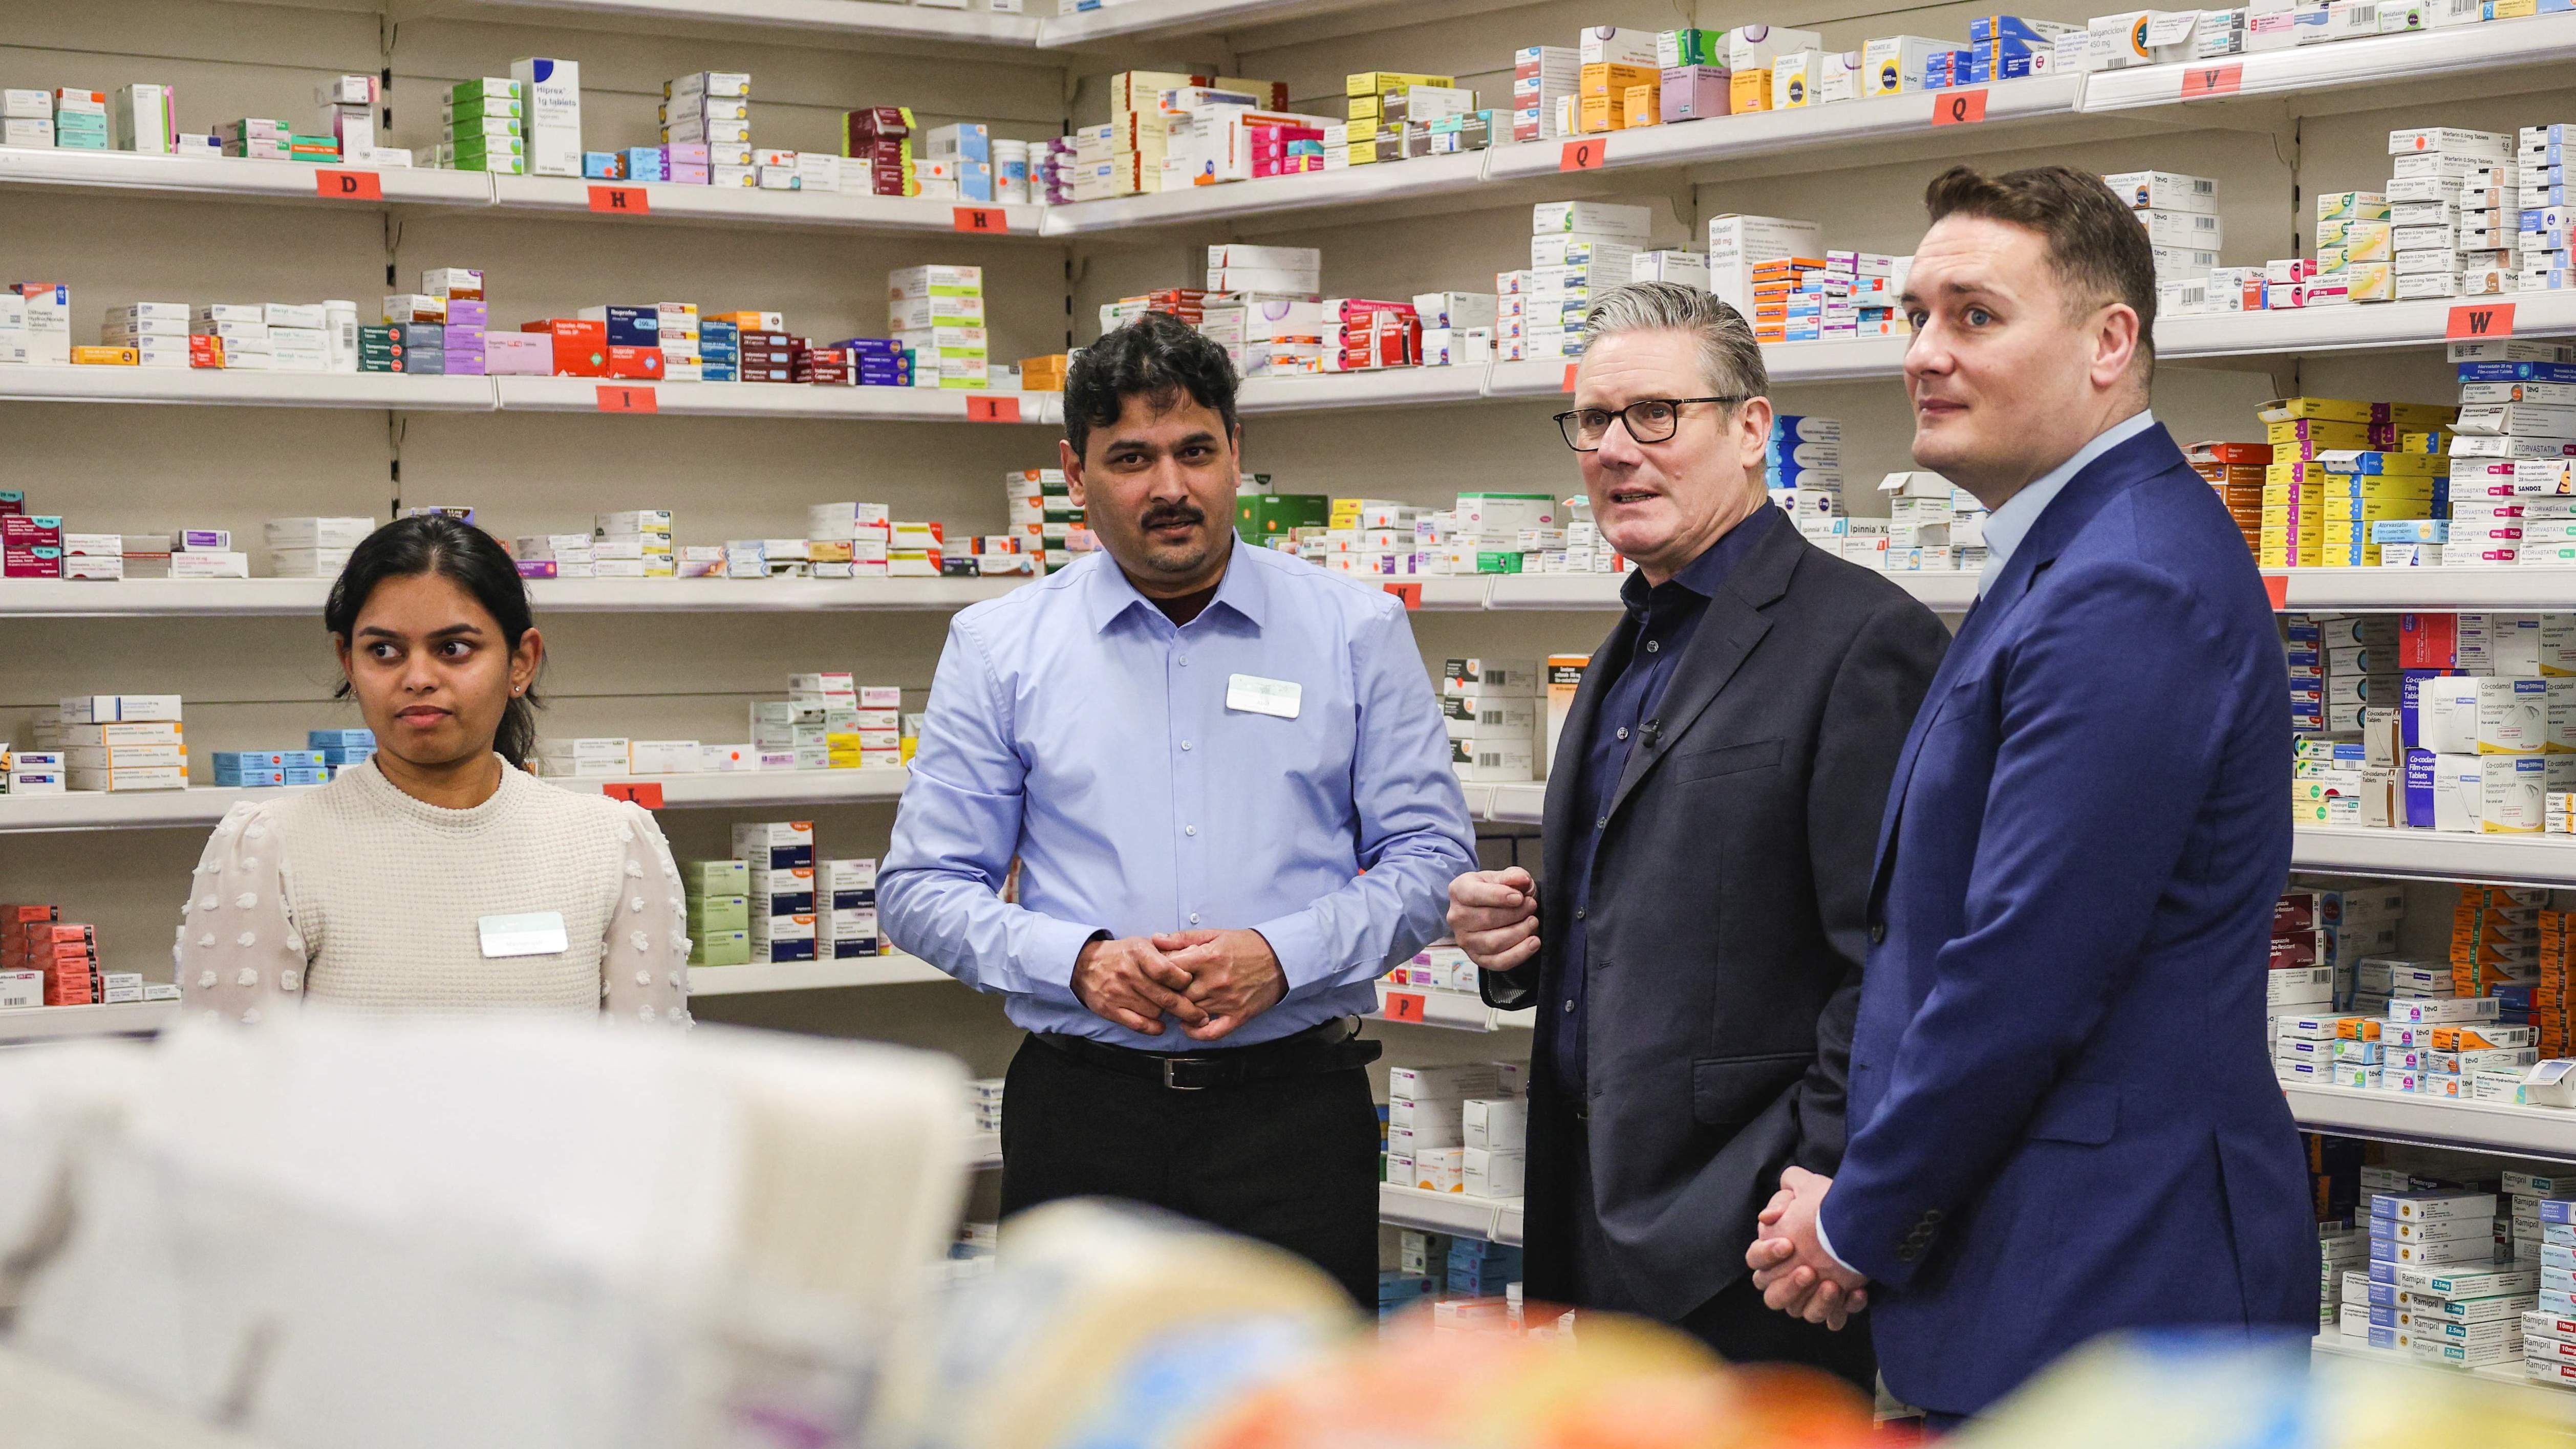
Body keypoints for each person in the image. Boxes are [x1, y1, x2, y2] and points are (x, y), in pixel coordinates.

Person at [1746, 165, 2314, 1423]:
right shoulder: (2070, 549)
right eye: (1911, 315)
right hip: (2042, 1264)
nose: (1920, 354)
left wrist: (1855, 1216)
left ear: (2109, 343)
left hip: (2109, 1282)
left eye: (1972, 315)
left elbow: (2024, 966)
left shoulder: (2125, 582)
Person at [880, 313, 1476, 1305]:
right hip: (1083, 1110)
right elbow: (920, 886)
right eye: (1131, 457)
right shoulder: (1001, 646)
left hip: (1292, 1112)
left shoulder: (1352, 627)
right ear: (1075, 474)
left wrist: (1279, 955)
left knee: (1297, 1412)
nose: (1170, 487)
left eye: (1195, 450)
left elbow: (1427, 859)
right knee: (1077, 1405)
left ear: (1236, 452)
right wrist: (1079, 961)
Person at [1441, 282, 1948, 1388]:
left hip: (1756, 1241)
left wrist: (1818, 1178)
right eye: (1592, 421)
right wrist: (1524, 946)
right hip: (1607, 1220)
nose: (1617, 449)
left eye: (1655, 414)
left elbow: (1891, 954)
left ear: (1751, 429)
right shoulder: (1630, 641)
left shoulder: (1859, 637)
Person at [176, 515, 691, 1027]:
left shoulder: (613, 843)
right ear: (349, 662)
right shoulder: (269, 848)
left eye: (454, 649)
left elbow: (650, 1083)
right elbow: (232, 1089)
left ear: (521, 661)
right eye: (384, 651)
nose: (418, 677)